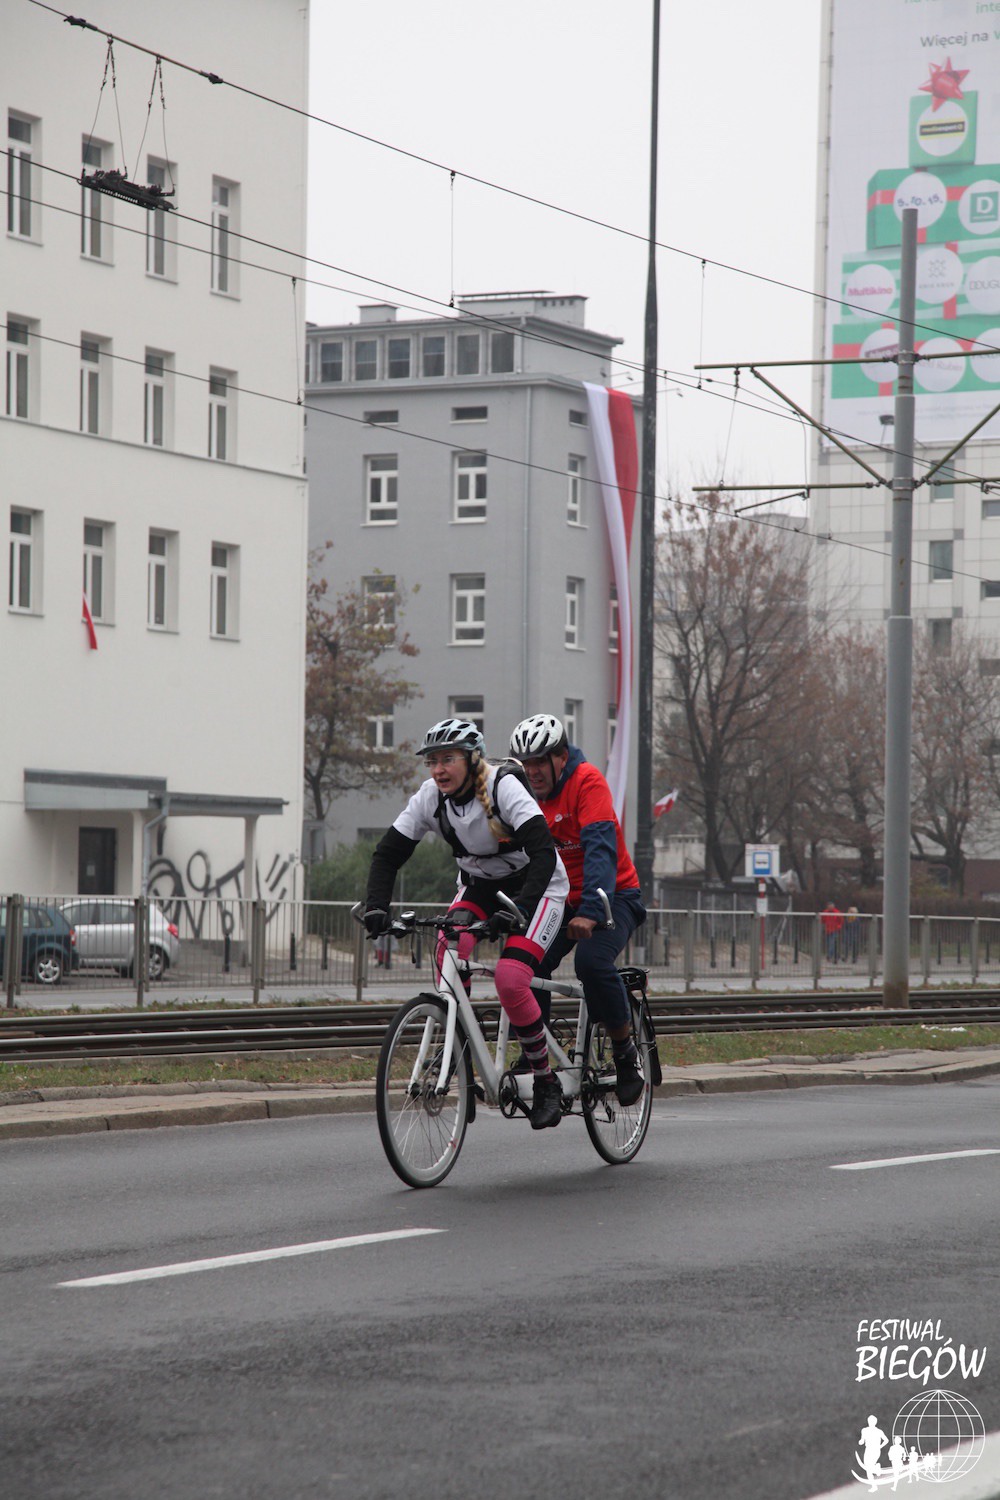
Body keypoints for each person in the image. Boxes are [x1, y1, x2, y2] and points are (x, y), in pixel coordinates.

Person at [362, 717, 570, 1130]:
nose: (438, 770)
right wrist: (376, 907)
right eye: (432, 761)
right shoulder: (430, 797)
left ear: (472, 759)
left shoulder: (502, 786)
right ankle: (461, 1065)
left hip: (538, 886)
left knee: (511, 979)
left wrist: (519, 910)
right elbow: (388, 854)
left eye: (448, 759)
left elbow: (544, 853)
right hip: (480, 886)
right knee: (447, 952)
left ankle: (545, 1080)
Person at [509, 713, 647, 1107]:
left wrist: (590, 910)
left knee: (591, 962)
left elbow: (600, 849)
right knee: (525, 965)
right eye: (525, 763)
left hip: (613, 896)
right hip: (561, 898)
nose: (532, 771)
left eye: (540, 762)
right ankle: (536, 1056)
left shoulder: (588, 782)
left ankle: (625, 1054)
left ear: (561, 757)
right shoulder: (523, 792)